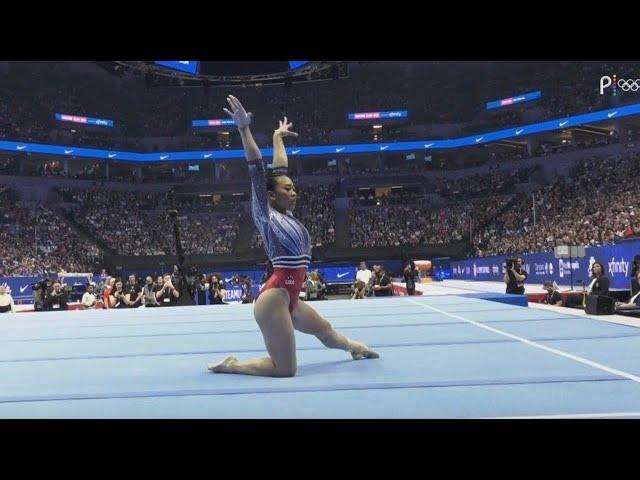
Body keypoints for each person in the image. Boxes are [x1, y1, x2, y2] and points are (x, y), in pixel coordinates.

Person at [208, 96, 378, 377]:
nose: (294, 191)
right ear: (271, 195)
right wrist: (243, 129)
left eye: (294, 187)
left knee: (325, 331)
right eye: (287, 189)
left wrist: (277, 137)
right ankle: (232, 365)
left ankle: (354, 347)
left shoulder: (286, 216)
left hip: (291, 297)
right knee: (285, 369)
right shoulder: (265, 213)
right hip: (274, 299)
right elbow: (256, 166)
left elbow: (280, 167)